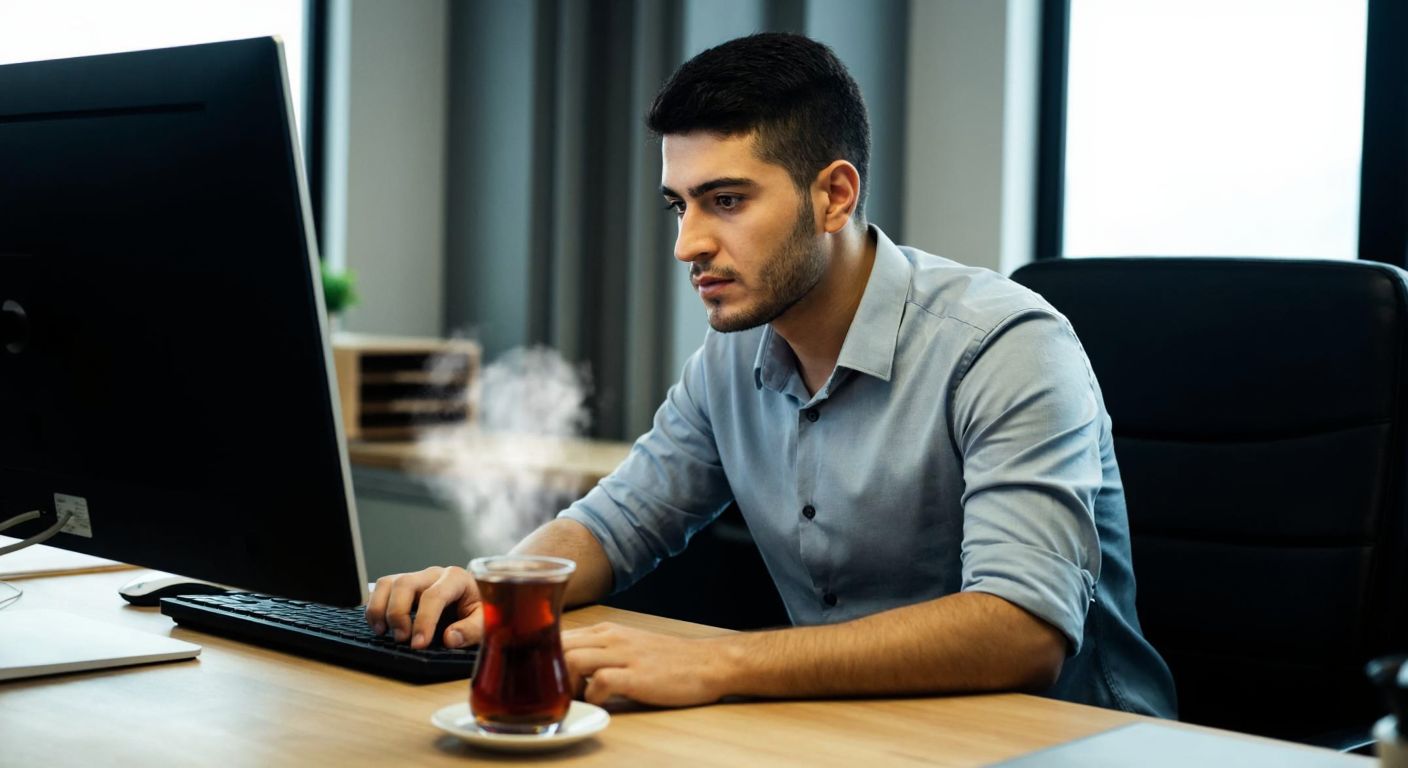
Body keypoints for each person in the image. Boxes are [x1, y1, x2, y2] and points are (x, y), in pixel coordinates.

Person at [366, 32, 1176, 717]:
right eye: (678, 206)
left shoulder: (1004, 346)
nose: (687, 245)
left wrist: (718, 667)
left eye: (725, 201)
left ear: (833, 195)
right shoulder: (731, 357)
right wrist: (500, 591)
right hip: (849, 734)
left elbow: (1021, 628)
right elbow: (618, 524)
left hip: (1065, 743)